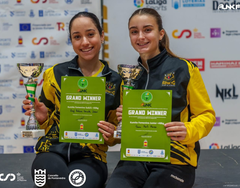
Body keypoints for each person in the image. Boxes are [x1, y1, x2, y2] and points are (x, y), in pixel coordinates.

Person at [106, 8, 216, 188]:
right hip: (136, 157)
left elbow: (207, 115)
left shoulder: (184, 69)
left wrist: (188, 130)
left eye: (147, 30)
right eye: (134, 31)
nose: (140, 36)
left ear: (160, 34)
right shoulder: (129, 77)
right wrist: (118, 128)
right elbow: (125, 130)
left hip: (175, 160)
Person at [23, 12, 122, 188]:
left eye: (90, 34)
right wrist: (43, 119)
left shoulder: (116, 81)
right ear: (71, 40)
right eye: (77, 37)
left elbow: (116, 135)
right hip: (51, 152)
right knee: (56, 181)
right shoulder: (55, 74)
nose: (85, 42)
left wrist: (112, 133)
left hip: (91, 158)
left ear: (102, 36)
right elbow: (45, 124)